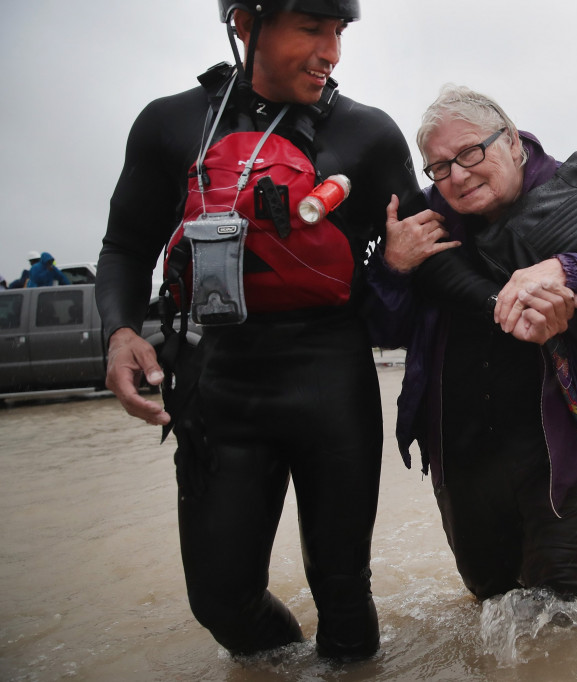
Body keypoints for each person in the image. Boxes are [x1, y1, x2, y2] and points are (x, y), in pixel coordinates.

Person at [95, 0, 426, 660]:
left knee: (343, 597)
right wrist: (120, 330)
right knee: (221, 602)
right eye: (312, 27)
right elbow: (127, 247)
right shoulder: (170, 125)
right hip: (218, 380)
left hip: (330, 375)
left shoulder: (368, 136)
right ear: (246, 23)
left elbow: (432, 256)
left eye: (340, 30)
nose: (332, 49)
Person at [366, 84, 577, 601]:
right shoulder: (424, 221)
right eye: (439, 166)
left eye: (469, 152)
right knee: (490, 599)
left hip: (566, 444)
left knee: (563, 611)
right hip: (460, 451)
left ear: (510, 139)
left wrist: (572, 272)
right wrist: (393, 267)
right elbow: (382, 331)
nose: (457, 176)